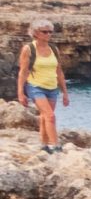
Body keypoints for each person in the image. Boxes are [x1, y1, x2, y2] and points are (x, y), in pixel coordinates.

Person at [16, 20, 69, 154]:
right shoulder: (29, 49)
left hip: (52, 87)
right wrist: (21, 93)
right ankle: (55, 146)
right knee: (50, 116)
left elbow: (59, 72)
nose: (48, 34)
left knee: (45, 117)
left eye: (50, 31)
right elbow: (23, 72)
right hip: (35, 86)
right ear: (35, 33)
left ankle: (44, 145)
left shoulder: (54, 49)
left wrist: (65, 93)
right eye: (44, 32)